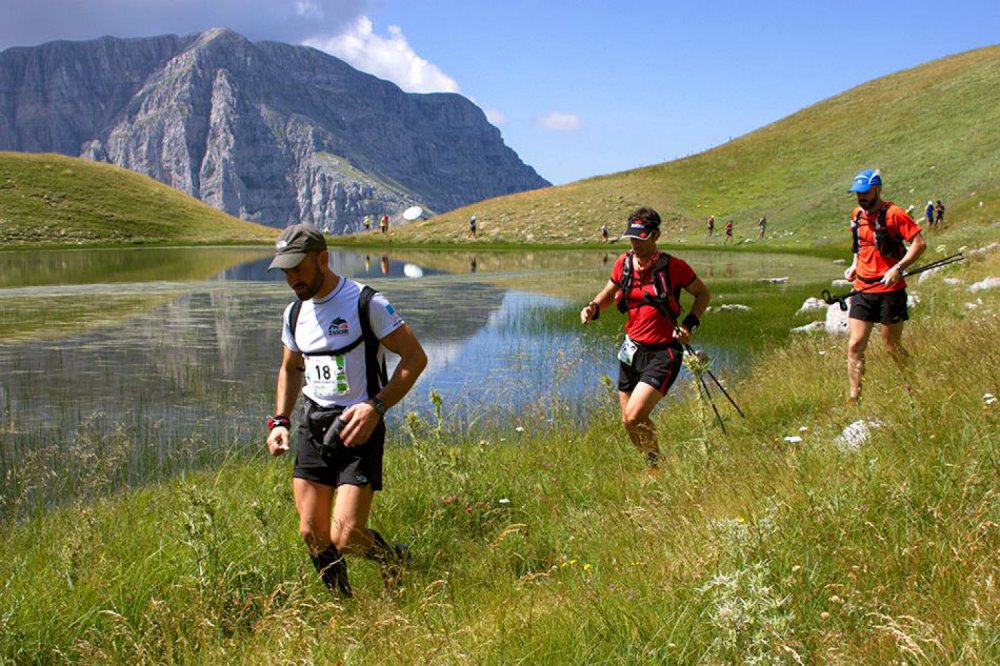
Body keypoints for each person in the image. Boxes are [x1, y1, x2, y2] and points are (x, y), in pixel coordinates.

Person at [265, 223, 428, 597]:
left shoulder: (365, 302)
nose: (292, 279)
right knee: (311, 532)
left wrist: (377, 407)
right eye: (286, 271)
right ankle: (345, 606)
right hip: (313, 426)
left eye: (299, 268)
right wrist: (280, 420)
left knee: (348, 535)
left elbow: (415, 358)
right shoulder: (294, 313)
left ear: (323, 259)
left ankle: (394, 560)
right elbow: (291, 368)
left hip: (360, 428)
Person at [580, 207, 711, 475]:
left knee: (635, 416)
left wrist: (689, 324)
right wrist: (593, 307)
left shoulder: (674, 267)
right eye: (632, 239)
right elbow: (608, 293)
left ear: (656, 236)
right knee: (629, 422)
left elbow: (703, 295)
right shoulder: (624, 264)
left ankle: (655, 470)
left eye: (641, 239)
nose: (635, 245)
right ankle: (655, 469)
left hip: (664, 352)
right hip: (631, 351)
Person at [843, 169, 926, 406]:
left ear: (877, 190)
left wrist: (897, 268)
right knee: (855, 345)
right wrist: (854, 266)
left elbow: (919, 244)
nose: (861, 198)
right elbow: (860, 247)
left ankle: (914, 384)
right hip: (862, 290)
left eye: (866, 193)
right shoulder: (857, 215)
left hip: (890, 291)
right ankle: (854, 398)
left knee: (891, 347)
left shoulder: (894, 214)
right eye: (857, 193)